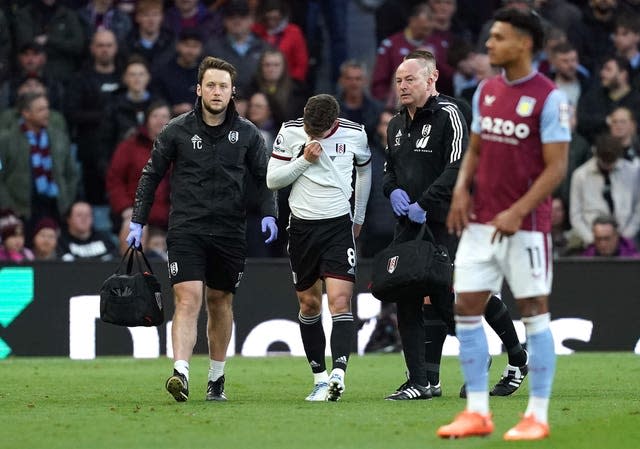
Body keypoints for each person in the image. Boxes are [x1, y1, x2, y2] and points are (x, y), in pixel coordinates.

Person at [440, 7, 571, 440]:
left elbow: (557, 168)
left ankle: (537, 415)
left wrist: (518, 210)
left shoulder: (549, 96)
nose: (489, 45)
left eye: (498, 37)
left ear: (524, 43)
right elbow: (475, 149)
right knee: (466, 306)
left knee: (534, 312)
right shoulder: (486, 91)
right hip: (480, 223)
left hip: (526, 226)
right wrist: (462, 188)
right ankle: (477, 411)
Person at [126, 56, 278, 403]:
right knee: (187, 298)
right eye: (210, 84)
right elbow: (151, 174)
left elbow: (263, 178)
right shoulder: (177, 129)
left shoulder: (249, 133)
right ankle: (180, 371)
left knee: (220, 301)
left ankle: (216, 378)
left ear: (232, 92)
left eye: (223, 86)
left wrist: (269, 212)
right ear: (199, 89)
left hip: (229, 231)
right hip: (187, 229)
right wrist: (139, 220)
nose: (216, 91)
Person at [382, 49, 528, 401]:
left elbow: (459, 165)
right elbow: (389, 171)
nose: (402, 86)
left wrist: (424, 203)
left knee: (457, 295)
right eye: (399, 80)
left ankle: (511, 356)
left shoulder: (451, 113)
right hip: (410, 224)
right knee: (409, 296)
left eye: (410, 79)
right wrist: (394, 193)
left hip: (451, 219)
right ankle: (420, 380)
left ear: (431, 79)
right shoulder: (396, 124)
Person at [266, 94, 372, 401]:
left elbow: (365, 170)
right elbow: (273, 180)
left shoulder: (355, 133)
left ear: (333, 124)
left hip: (338, 226)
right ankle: (320, 378)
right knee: (309, 305)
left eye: (319, 131)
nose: (312, 134)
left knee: (340, 302)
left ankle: (339, 373)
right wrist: (303, 159)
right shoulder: (290, 131)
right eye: (310, 128)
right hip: (302, 229)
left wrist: (359, 215)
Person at [106, 100, 172, 255]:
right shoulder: (129, 146)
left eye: (164, 116)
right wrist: (125, 208)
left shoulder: (181, 148)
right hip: (136, 212)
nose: (160, 120)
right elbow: (114, 180)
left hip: (170, 215)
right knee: (134, 227)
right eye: (155, 116)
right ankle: (131, 277)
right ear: (147, 120)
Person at [569, 132, 640, 248]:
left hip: (626, 238)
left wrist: (624, 237)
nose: (608, 166)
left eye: (612, 162)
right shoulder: (580, 175)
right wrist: (593, 240)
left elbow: (638, 209)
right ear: (596, 154)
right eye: (604, 162)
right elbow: (575, 215)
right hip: (591, 240)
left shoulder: (633, 172)